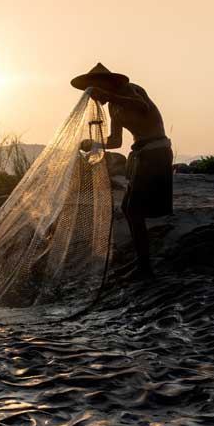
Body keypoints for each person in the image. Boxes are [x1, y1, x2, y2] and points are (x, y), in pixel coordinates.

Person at [71, 63, 173, 278]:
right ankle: (142, 262)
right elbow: (116, 141)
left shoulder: (130, 90)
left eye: (95, 88)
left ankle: (144, 268)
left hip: (155, 153)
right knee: (128, 208)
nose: (94, 96)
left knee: (134, 210)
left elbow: (142, 107)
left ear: (106, 84)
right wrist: (95, 144)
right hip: (140, 156)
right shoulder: (113, 108)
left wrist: (108, 95)